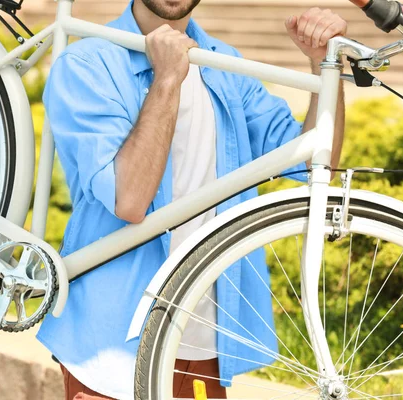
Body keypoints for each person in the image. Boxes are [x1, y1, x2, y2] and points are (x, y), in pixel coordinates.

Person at [39, 1, 346, 399]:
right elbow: (129, 199)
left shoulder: (225, 64)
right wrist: (168, 77)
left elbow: (316, 167)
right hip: (110, 346)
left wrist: (325, 67)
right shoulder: (87, 63)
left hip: (205, 344)